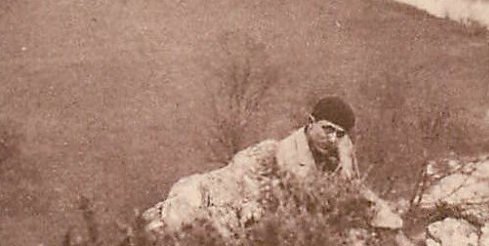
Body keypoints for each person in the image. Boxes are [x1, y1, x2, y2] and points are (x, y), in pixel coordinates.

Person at [146, 95, 403, 234]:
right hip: (210, 197)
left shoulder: (336, 164)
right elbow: (238, 173)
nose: (332, 138)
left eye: (339, 134)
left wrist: (384, 215)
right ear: (310, 122)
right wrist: (249, 205)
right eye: (327, 129)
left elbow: (354, 191)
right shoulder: (274, 151)